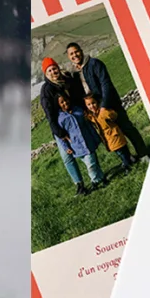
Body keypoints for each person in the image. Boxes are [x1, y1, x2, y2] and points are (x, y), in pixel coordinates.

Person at [66, 42, 150, 158]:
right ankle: (128, 158)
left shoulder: (94, 63)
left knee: (126, 127)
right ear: (68, 57)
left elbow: (106, 84)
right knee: (112, 134)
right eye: (71, 54)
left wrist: (104, 105)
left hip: (110, 103)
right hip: (95, 108)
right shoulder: (75, 74)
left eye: (76, 51)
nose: (75, 55)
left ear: (81, 50)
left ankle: (143, 153)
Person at [39, 58, 98, 195]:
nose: (53, 71)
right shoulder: (46, 90)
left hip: (75, 121)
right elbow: (49, 114)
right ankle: (80, 184)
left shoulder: (66, 81)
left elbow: (78, 96)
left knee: (86, 146)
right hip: (60, 127)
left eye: (54, 68)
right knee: (67, 157)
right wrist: (59, 133)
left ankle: (96, 177)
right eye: (50, 70)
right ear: (46, 74)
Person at [52, 93, 102, 194]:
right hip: (77, 146)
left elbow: (88, 125)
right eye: (62, 102)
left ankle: (95, 182)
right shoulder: (60, 119)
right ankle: (102, 178)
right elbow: (60, 137)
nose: (65, 103)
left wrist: (96, 137)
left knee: (91, 164)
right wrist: (66, 147)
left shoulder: (78, 110)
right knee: (92, 163)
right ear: (58, 104)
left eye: (66, 100)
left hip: (88, 142)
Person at [82, 94, 139, 175]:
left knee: (121, 152)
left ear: (97, 102)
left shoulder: (103, 112)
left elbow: (113, 115)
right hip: (108, 138)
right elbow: (91, 118)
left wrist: (108, 114)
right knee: (121, 151)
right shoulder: (93, 115)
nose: (92, 106)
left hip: (114, 135)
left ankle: (127, 165)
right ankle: (130, 159)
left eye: (93, 103)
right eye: (89, 105)